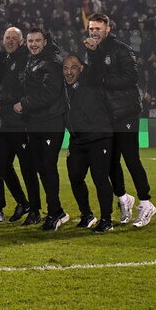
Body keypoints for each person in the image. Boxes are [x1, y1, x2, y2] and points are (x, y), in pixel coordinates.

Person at [87, 13, 156, 227]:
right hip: (106, 115)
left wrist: (104, 79)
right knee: (110, 162)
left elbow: (131, 77)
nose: (94, 32)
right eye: (91, 29)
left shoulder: (121, 49)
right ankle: (123, 199)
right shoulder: (94, 51)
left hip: (125, 112)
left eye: (98, 28)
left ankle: (146, 204)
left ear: (107, 29)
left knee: (131, 158)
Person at [15, 28, 69, 231]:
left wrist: (24, 103)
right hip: (36, 122)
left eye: (37, 40)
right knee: (42, 169)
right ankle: (57, 211)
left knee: (48, 168)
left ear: (45, 42)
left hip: (50, 123)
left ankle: (55, 213)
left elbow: (50, 93)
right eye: (30, 41)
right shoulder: (33, 60)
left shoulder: (52, 62)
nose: (34, 44)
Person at [0, 27, 41, 225]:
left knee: (28, 168)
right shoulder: (5, 59)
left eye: (14, 38)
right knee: (1, 164)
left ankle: (35, 210)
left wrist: (0, 97)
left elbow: (22, 88)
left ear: (21, 41)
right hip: (7, 123)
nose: (10, 41)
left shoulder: (24, 59)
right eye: (7, 38)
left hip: (22, 122)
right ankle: (23, 202)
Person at [62, 54, 115, 233]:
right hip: (77, 140)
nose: (69, 72)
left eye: (73, 67)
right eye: (66, 68)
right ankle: (87, 215)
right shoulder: (63, 88)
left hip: (99, 137)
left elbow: (99, 67)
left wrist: (94, 52)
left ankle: (107, 220)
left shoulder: (91, 81)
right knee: (75, 177)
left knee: (100, 179)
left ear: (81, 68)